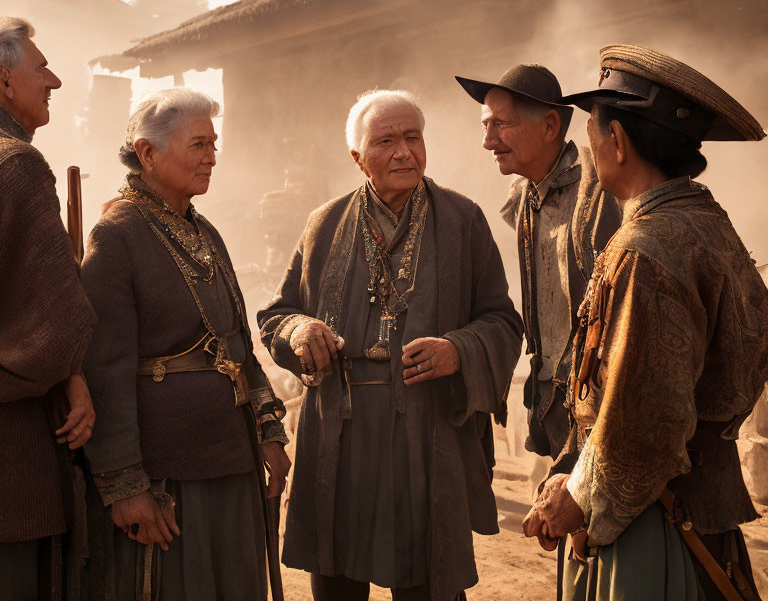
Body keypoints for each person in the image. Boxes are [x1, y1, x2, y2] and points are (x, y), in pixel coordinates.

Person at [522, 45, 768, 600]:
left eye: (592, 136)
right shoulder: (709, 224)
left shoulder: (645, 248)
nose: (590, 151)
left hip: (652, 526)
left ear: (619, 143)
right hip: (693, 506)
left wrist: (576, 496)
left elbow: (646, 420)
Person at [258, 88, 524, 601]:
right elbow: (276, 314)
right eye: (386, 140)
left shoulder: (462, 220)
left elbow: (504, 321)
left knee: (427, 576)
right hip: (342, 429)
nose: (404, 151)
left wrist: (458, 350)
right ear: (358, 157)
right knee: (337, 577)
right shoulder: (325, 224)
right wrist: (298, 330)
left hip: (425, 432)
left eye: (413, 137)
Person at [81, 88, 291, 601]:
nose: (212, 157)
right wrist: (125, 486)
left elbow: (237, 343)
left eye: (213, 144)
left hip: (231, 457)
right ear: (148, 153)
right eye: (198, 144)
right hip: (166, 475)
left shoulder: (205, 231)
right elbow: (103, 370)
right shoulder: (117, 235)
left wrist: (267, 428)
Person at [456, 64, 620, 460]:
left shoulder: (602, 192)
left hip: (606, 408)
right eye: (484, 125)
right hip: (554, 401)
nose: (487, 141)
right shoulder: (524, 197)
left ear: (549, 126)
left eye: (500, 125)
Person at [0, 17, 96, 600]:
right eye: (41, 70)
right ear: (4, 82)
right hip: (12, 452)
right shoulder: (18, 165)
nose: (55, 79)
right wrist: (70, 368)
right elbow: (60, 325)